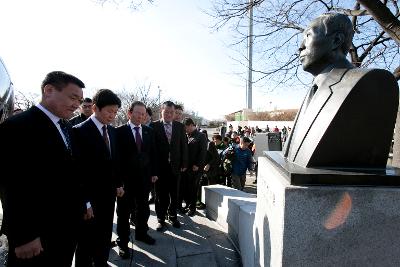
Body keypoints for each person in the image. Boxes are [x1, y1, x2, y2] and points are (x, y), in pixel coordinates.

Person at [283, 13, 398, 168]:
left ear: (336, 40)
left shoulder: (371, 82)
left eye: (308, 36)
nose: (301, 46)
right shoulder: (313, 90)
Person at [0, 71, 85, 266]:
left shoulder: (66, 127)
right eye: (73, 97)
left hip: (65, 229)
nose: (76, 105)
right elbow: (11, 185)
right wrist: (24, 235)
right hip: (35, 237)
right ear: (48, 90)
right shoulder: (18, 126)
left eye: (79, 101)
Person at [73, 89, 124, 266]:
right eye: (109, 111)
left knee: (104, 236)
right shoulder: (79, 132)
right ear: (95, 108)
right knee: (86, 242)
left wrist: (118, 184)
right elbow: (77, 171)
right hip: (89, 201)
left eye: (116, 112)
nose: (113, 115)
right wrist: (84, 201)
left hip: (108, 196)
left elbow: (114, 162)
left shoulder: (112, 131)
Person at [115, 101, 158, 259]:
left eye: (143, 114)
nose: (141, 116)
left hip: (144, 180)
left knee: (143, 209)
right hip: (125, 183)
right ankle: (123, 243)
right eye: (138, 113)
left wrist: (154, 172)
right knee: (123, 213)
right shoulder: (118, 132)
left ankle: (141, 233)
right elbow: (116, 159)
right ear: (129, 113)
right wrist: (118, 182)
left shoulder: (148, 131)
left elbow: (153, 153)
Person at [150, 101, 188, 231]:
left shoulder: (179, 126)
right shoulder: (153, 126)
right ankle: (161, 219)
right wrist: (153, 169)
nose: (169, 114)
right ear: (161, 111)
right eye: (166, 112)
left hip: (175, 167)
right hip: (160, 169)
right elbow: (152, 150)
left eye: (172, 112)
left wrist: (184, 163)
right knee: (160, 196)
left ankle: (172, 216)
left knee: (174, 194)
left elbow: (184, 146)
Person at [180, 118, 207, 216]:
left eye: (186, 127)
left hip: (195, 168)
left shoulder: (201, 136)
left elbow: (203, 152)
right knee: (186, 188)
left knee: (193, 188)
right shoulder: (187, 136)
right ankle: (187, 205)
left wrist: (198, 165)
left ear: (191, 125)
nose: (185, 129)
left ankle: (192, 208)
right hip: (187, 167)